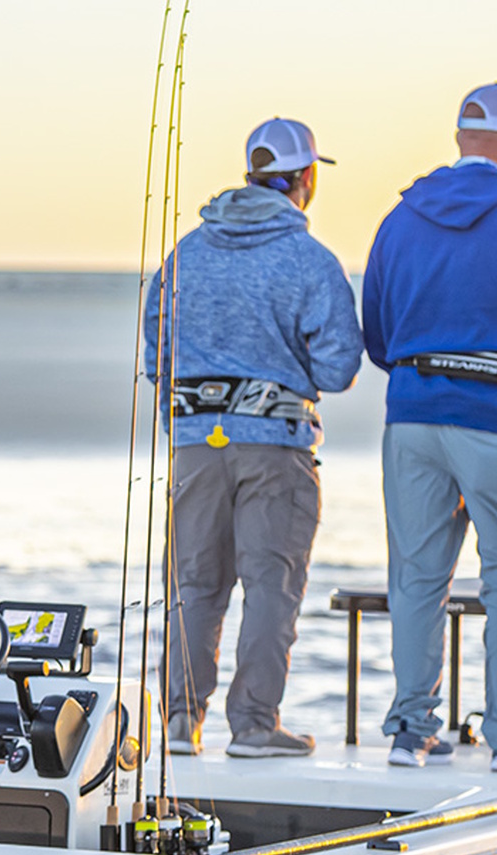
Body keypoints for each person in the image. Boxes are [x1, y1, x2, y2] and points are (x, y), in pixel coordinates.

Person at [146, 117, 363, 759]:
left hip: (194, 441)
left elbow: (156, 347)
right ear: (306, 178)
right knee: (271, 585)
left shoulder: (187, 252)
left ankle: (180, 723)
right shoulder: (309, 259)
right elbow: (339, 368)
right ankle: (254, 726)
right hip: (276, 443)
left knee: (193, 585)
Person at [362, 83, 497, 769]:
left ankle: (412, 731)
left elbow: (376, 332)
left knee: (417, 580)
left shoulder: (402, 216)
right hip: (490, 415)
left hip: (412, 411)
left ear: (460, 137)